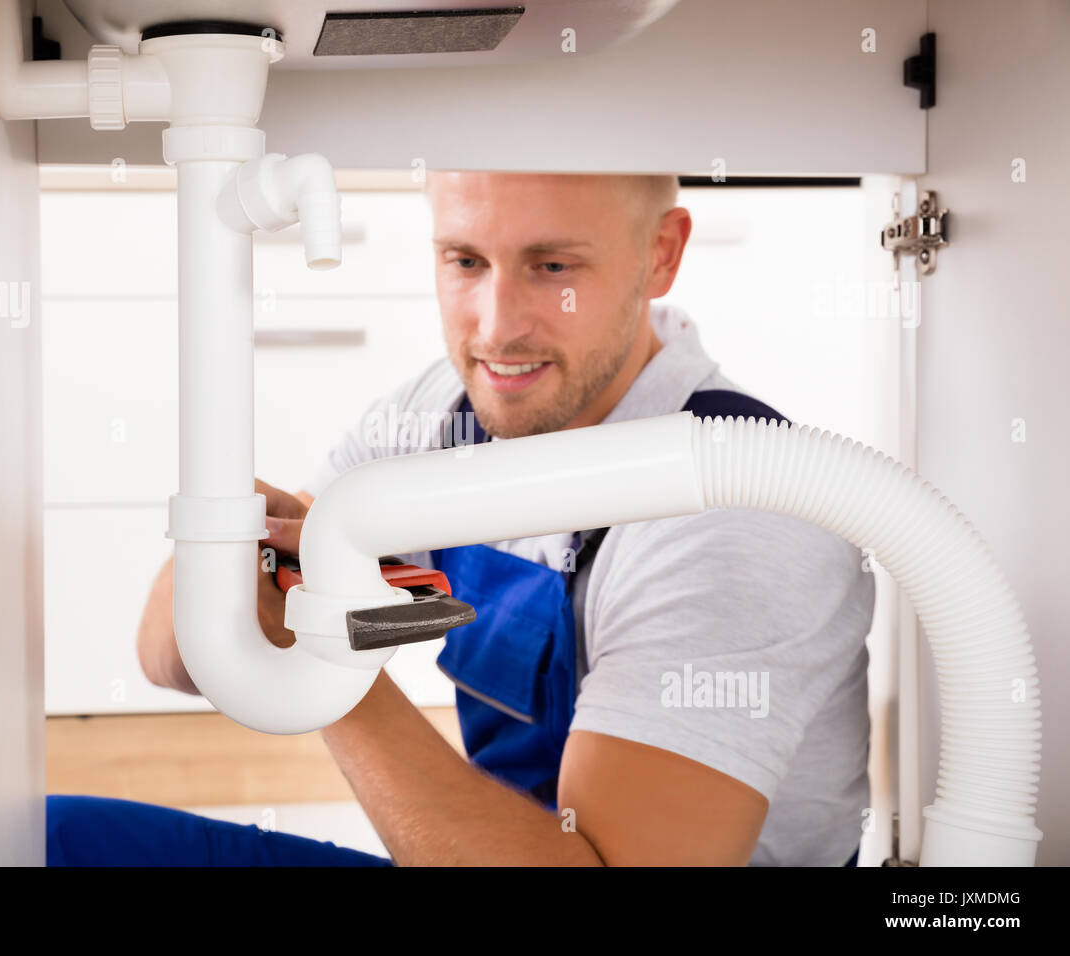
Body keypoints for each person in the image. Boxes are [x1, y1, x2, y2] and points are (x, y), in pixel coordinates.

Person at [47, 172, 874, 866]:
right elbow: (170, 657)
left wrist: (327, 662)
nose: (496, 325)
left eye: (552, 266)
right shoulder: (443, 417)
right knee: (49, 842)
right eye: (465, 260)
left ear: (661, 254)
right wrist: (229, 559)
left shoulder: (737, 514)